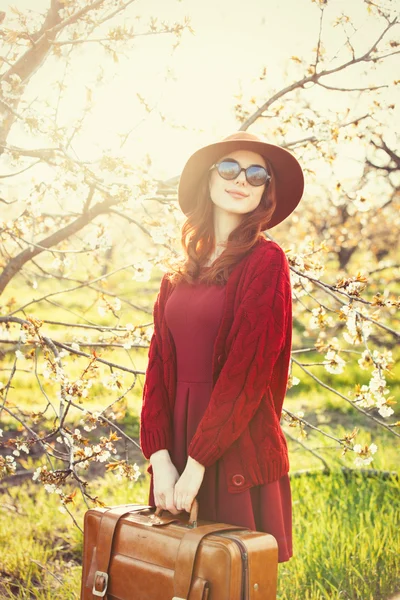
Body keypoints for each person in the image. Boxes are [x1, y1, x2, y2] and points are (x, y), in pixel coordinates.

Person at [140, 131, 304, 563]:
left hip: (235, 443)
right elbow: (158, 366)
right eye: (230, 168)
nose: (242, 181)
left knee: (229, 577)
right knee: (173, 574)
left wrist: (198, 464)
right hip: (177, 445)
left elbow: (246, 374)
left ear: (266, 190)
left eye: (257, 175)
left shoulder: (267, 262)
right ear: (209, 179)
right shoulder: (176, 273)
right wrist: (160, 457)